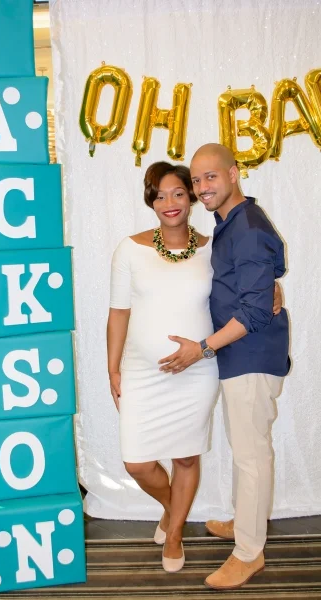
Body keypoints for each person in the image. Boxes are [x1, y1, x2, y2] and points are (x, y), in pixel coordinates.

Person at [106, 160, 282, 574]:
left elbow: (244, 282)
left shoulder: (211, 247)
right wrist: (112, 369)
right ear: (150, 202)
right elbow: (118, 313)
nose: (169, 202)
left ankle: (174, 533)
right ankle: (174, 510)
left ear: (190, 199)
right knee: (137, 463)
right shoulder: (129, 249)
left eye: (178, 193)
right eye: (160, 196)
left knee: (186, 458)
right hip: (142, 372)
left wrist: (273, 290)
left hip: (197, 371)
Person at [158, 143, 290, 589]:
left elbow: (253, 311)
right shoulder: (233, 223)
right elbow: (270, 270)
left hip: (251, 355)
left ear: (233, 174)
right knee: (245, 449)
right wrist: (271, 287)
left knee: (252, 456)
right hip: (241, 356)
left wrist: (201, 349)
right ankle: (244, 522)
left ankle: (249, 553)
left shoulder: (246, 227)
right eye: (196, 180)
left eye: (210, 177)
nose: (201, 188)